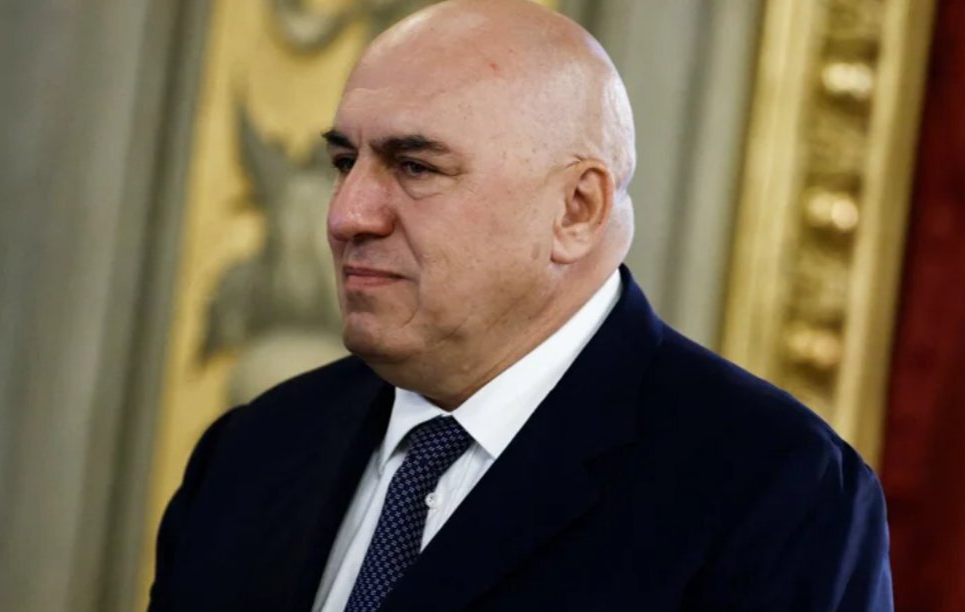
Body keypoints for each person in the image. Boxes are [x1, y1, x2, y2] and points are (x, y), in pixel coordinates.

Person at [149, 1, 893, 610]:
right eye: (345, 162)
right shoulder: (252, 452)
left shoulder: (771, 491)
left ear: (576, 209)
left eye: (415, 166)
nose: (347, 214)